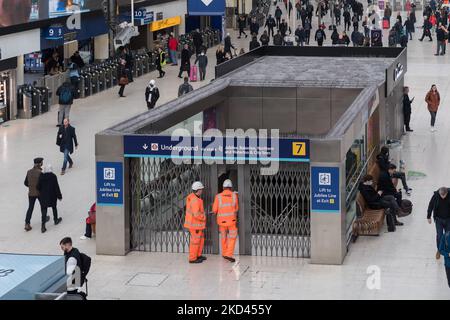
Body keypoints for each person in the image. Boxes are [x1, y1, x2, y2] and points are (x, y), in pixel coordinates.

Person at [212, 179, 239, 262]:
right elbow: (236, 208)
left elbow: (214, 210)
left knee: (223, 237)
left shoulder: (218, 196)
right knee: (232, 237)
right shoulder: (234, 196)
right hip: (232, 221)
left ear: (223, 187)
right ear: (230, 187)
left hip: (221, 222)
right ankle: (228, 254)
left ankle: (224, 253)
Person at [184, 181, 207, 264]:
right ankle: (193, 258)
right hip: (195, 225)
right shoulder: (195, 200)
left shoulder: (194, 198)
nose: (202, 190)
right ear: (198, 190)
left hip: (197, 225)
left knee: (200, 240)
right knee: (195, 242)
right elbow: (196, 214)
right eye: (201, 189)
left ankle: (198, 255)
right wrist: (204, 217)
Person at [37, 164, 62, 232]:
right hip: (52, 196)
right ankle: (56, 220)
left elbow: (38, 186)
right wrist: (59, 196)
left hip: (43, 196)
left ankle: (43, 226)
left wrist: (41, 192)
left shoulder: (41, 176)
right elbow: (56, 187)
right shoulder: (53, 176)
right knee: (54, 207)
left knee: (44, 210)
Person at [24, 157, 47, 232]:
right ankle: (43, 224)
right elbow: (43, 184)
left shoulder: (29, 171)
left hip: (31, 193)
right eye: (42, 162)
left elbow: (25, 183)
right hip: (39, 193)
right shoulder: (40, 173)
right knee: (43, 207)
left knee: (30, 208)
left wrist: (31, 187)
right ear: (40, 163)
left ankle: (27, 223)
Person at [428, 187, 450, 260]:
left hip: (448, 219)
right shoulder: (436, 195)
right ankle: (439, 250)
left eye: (444, 195)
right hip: (439, 220)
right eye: (441, 195)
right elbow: (430, 205)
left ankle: (448, 250)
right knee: (439, 236)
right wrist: (429, 216)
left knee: (448, 235)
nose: (442, 197)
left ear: (447, 193)